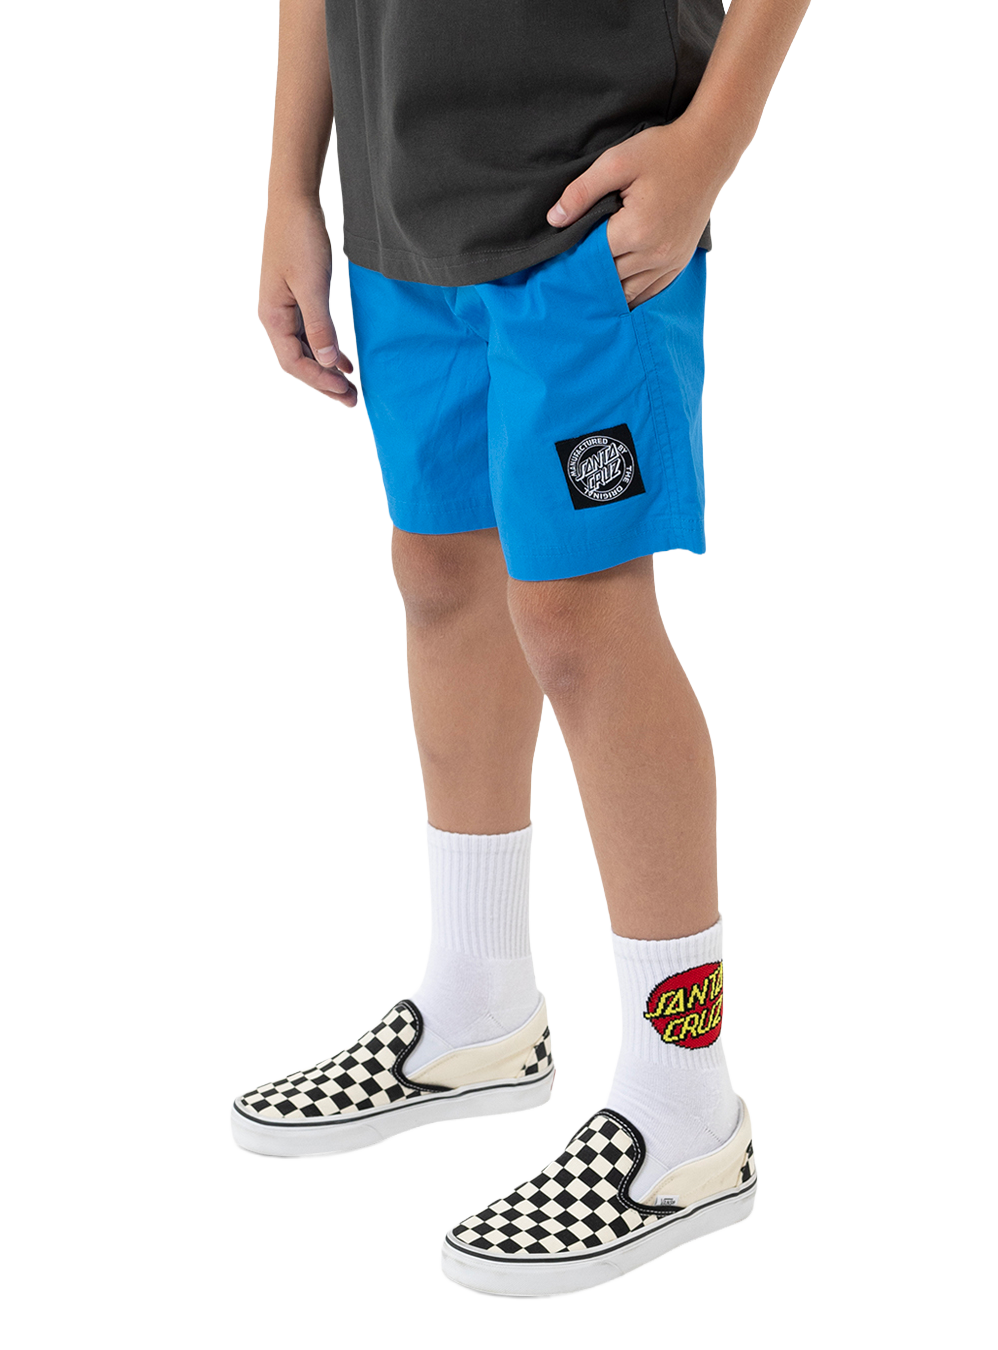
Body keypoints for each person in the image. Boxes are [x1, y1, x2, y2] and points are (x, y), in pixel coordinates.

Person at [231, 0, 810, 1296]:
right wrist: (287, 183)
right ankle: (478, 1005)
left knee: (579, 618)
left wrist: (712, 141)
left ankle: (685, 1109)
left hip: (591, 202)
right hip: (401, 203)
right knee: (440, 575)